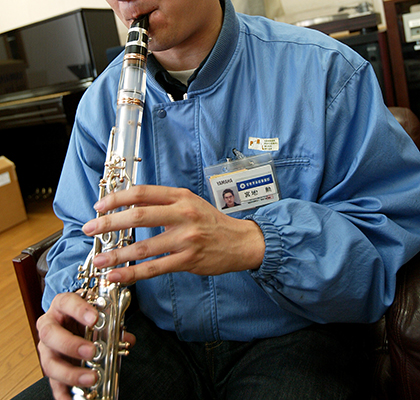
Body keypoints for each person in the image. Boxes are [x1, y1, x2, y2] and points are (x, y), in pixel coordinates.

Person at [14, 0, 420, 399]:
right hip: (154, 339)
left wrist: (256, 243)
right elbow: (80, 236)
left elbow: (387, 240)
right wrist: (70, 307)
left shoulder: (327, 70)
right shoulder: (99, 105)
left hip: (295, 334)